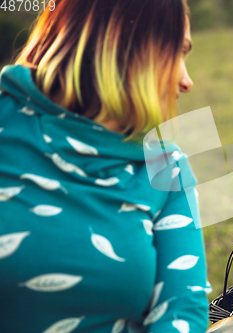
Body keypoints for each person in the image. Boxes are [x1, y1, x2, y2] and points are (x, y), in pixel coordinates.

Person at [0, 0, 210, 332]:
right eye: (177, 52)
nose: (187, 81)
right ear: (125, 46)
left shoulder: (166, 168)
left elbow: (182, 310)